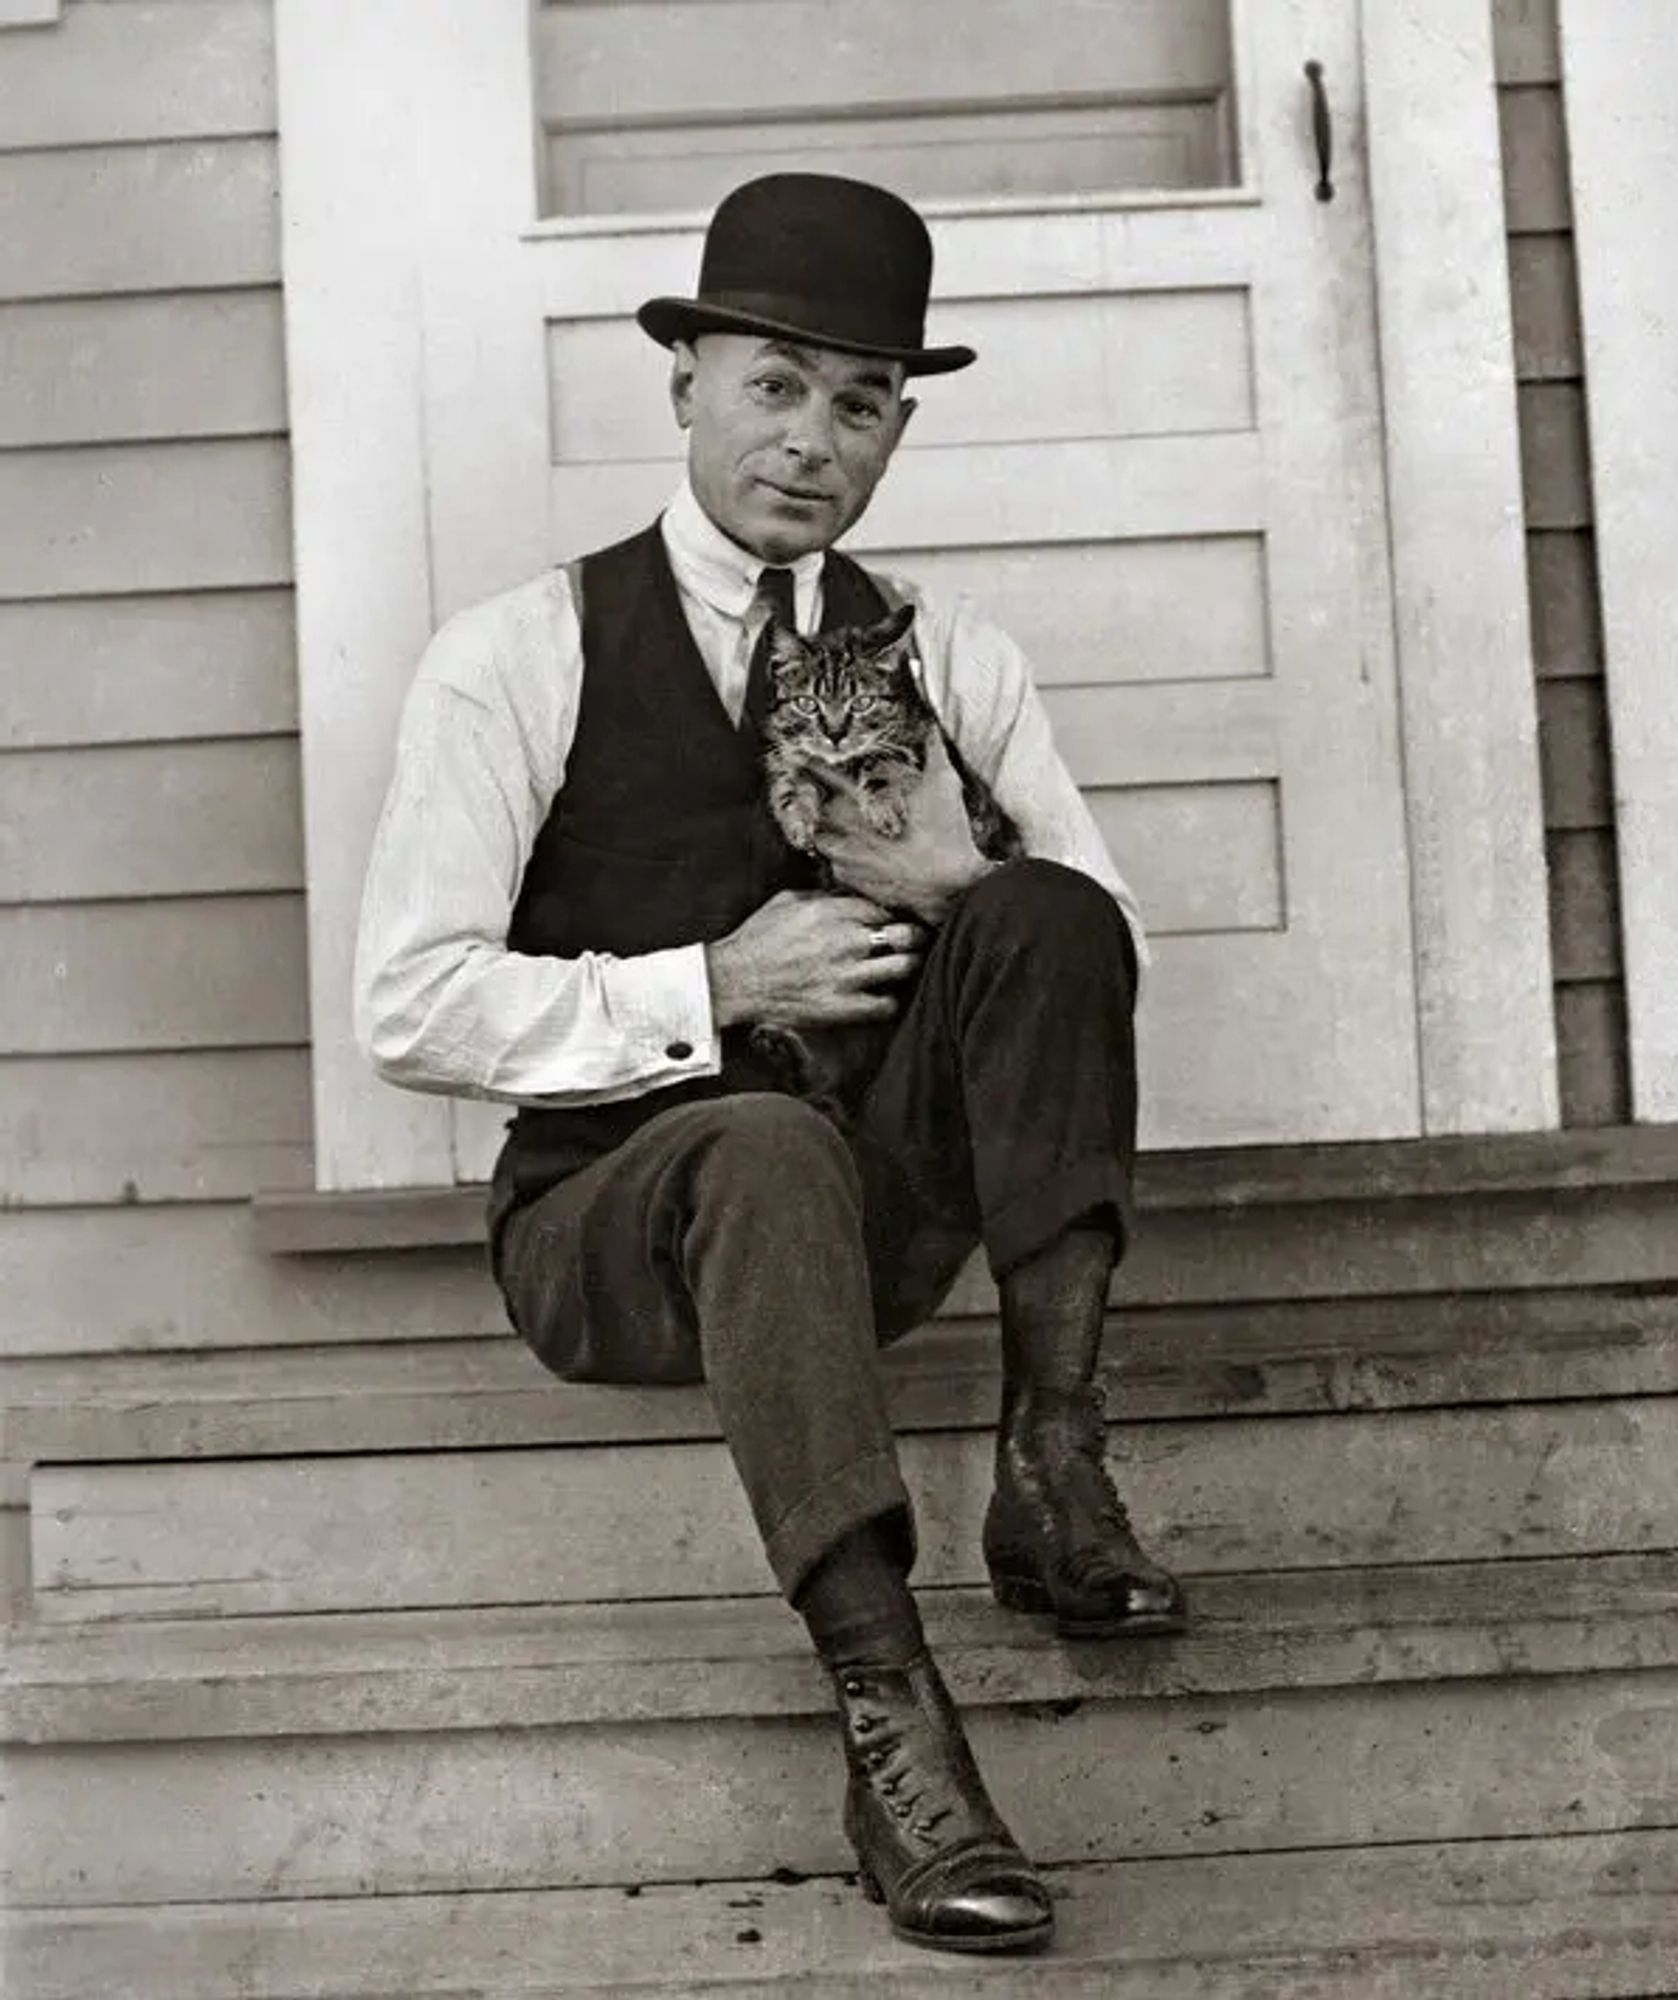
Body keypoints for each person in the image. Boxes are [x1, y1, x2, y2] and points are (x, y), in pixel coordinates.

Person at [355, 172, 1184, 1957]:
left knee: (1042, 916)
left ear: (898, 430)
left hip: (876, 1208)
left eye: (862, 402)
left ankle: (1052, 1464)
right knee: (753, 1144)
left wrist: (959, 887)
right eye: (775, 385)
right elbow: (406, 1002)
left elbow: (1093, 947)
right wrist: (710, 981)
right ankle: (895, 1722)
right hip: (618, 1220)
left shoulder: (951, 648)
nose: (814, 443)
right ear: (685, 388)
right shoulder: (518, 656)